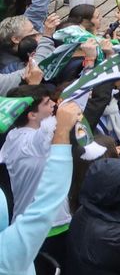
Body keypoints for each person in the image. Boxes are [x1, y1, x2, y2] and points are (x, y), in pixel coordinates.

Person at [0, 99, 78, 271]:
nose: (53, 105)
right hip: (46, 228)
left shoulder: (12, 136)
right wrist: (62, 126)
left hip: (33, 226)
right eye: (46, 103)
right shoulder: (27, 141)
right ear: (32, 115)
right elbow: (43, 138)